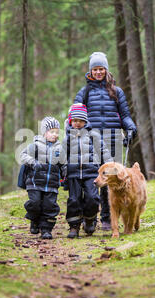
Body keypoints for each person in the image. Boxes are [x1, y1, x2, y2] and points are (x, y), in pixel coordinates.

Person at [73, 52, 137, 231]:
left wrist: (130, 128)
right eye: (95, 69)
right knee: (93, 181)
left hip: (113, 139)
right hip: (91, 141)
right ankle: (90, 217)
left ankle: (108, 218)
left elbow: (125, 115)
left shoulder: (117, 92)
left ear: (106, 70)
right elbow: (75, 117)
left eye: (101, 69)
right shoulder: (84, 92)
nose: (99, 72)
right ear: (90, 71)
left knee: (111, 181)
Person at [63, 103, 113, 238]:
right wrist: (62, 170)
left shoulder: (93, 135)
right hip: (73, 173)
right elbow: (62, 155)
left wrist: (109, 164)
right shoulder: (67, 137)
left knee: (93, 198)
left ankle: (90, 219)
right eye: (74, 121)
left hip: (91, 172)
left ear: (85, 121)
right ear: (70, 121)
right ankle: (74, 226)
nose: (77, 123)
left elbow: (103, 150)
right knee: (74, 200)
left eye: (80, 121)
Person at [20, 117, 66, 239]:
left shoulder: (60, 148)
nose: (55, 135)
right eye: (52, 132)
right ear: (44, 132)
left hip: (51, 184)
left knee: (49, 206)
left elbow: (63, 163)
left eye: (57, 132)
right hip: (35, 182)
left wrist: (65, 173)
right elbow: (23, 155)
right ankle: (34, 219)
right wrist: (33, 162)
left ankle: (46, 229)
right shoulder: (35, 145)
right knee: (35, 203)